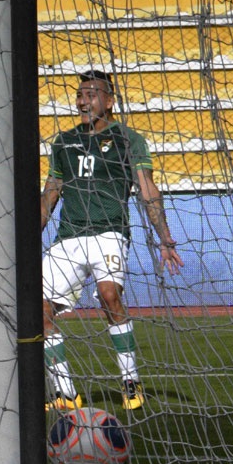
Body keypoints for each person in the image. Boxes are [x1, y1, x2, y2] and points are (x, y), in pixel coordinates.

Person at [41, 70, 183, 411]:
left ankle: (130, 380)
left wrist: (164, 238)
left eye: (91, 94)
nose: (82, 101)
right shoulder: (62, 142)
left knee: (109, 297)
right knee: (36, 310)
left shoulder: (129, 139)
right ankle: (64, 392)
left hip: (110, 232)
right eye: (79, 94)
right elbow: (50, 193)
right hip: (69, 236)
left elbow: (146, 188)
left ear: (109, 101)